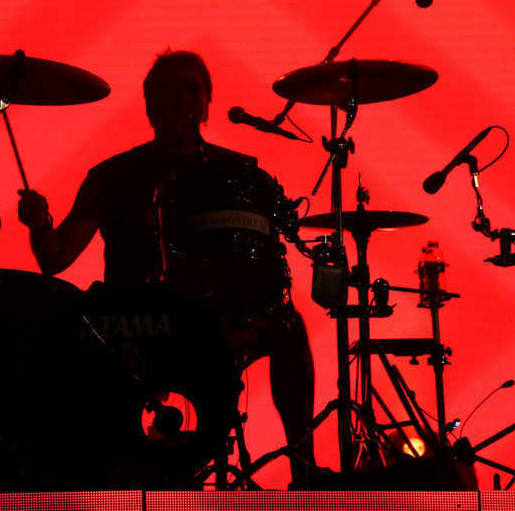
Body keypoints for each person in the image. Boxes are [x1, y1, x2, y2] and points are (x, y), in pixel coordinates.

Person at [17, 49, 316, 487]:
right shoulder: (112, 175)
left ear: (208, 104)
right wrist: (40, 225)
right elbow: (55, 257)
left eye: (193, 90)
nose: (183, 98)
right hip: (137, 321)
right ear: (149, 107)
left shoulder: (237, 172)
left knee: (288, 327)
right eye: (171, 90)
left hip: (214, 317)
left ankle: (305, 474)